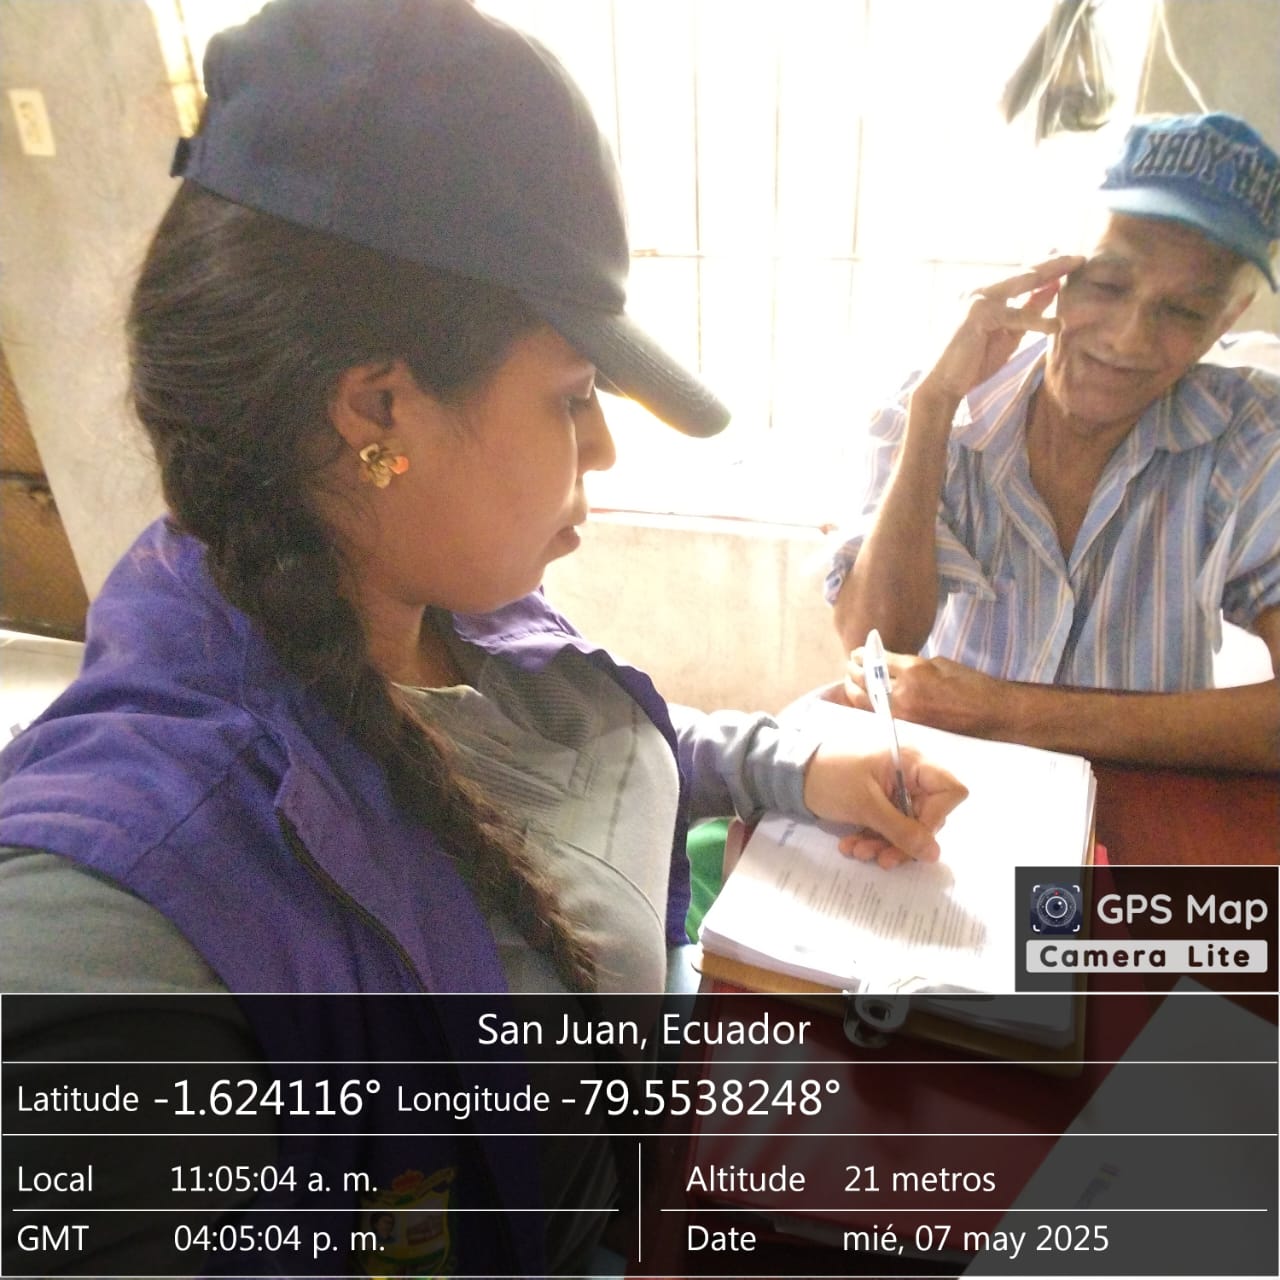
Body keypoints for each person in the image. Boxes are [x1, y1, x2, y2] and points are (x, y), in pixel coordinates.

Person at [0, 2, 966, 1276]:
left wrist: (789, 765)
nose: (601, 449)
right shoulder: (121, 912)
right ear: (378, 409)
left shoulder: (430, 605)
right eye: (572, 397)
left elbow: (587, 750)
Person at [829, 112, 1280, 773]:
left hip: (1146, 801)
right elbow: (872, 640)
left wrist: (1010, 712)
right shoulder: (941, 405)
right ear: (1055, 269)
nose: (1127, 339)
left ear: (1226, 319)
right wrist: (932, 409)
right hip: (950, 791)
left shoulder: (1250, 436)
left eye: (1183, 311)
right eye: (1108, 284)